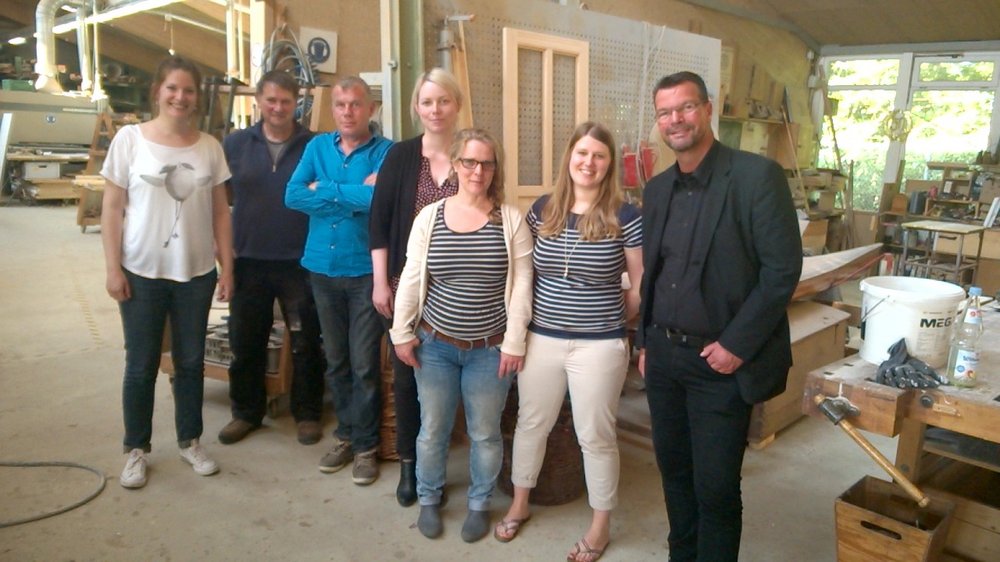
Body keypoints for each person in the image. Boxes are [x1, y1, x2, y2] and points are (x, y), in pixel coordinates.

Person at [637, 71, 802, 561]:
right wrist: (644, 343)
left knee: (715, 488)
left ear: (708, 109)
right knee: (674, 474)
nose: (676, 120)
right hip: (663, 358)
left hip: (719, 362)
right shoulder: (657, 189)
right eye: (665, 112)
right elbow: (653, 274)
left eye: (686, 107)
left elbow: (781, 271)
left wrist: (736, 346)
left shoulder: (755, 177)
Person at [495, 122, 642, 562]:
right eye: (582, 153)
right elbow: (525, 273)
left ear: (609, 164)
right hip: (543, 339)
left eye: (599, 155)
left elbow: (639, 284)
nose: (588, 162)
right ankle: (520, 503)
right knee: (531, 424)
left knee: (595, 435)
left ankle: (600, 527)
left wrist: (614, 321)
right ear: (569, 157)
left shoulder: (626, 215)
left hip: (599, 345)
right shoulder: (543, 209)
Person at [390, 128, 533, 543]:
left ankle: (479, 502)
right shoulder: (429, 217)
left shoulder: (510, 220)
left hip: (489, 350)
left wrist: (514, 342)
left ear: (495, 169)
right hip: (434, 345)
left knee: (485, 433)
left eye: (487, 163)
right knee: (433, 428)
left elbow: (523, 285)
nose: (478, 171)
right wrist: (401, 332)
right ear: (455, 164)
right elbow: (412, 277)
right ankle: (429, 497)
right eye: (469, 161)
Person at [100, 55, 233, 489]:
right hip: (141, 272)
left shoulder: (209, 147)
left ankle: (190, 440)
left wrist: (227, 267)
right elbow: (112, 208)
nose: (180, 97)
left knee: (190, 362)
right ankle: (136, 449)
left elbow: (220, 212)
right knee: (141, 364)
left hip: (195, 274)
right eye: (172, 88)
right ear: (157, 91)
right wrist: (113, 268)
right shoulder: (129, 140)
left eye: (188, 90)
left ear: (197, 98)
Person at [285, 76, 393, 486]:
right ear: (333, 109)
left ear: (371, 109)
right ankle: (346, 436)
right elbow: (293, 195)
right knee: (336, 360)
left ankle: (365, 446)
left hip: (364, 272)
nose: (348, 112)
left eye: (355, 104)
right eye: (341, 104)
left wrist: (325, 189)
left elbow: (380, 200)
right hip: (321, 269)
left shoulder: (386, 152)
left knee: (363, 363)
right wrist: (351, 195)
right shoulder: (317, 147)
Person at [369, 68, 463, 507]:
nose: (435, 110)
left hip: (459, 293)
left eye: (443, 100)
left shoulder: (472, 153)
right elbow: (379, 221)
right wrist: (380, 283)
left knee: (450, 383)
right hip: (406, 288)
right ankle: (410, 465)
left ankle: (439, 464)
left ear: (456, 105)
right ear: (416, 108)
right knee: (407, 379)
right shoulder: (402, 156)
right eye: (427, 102)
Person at [218, 70, 325, 446]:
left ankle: (308, 414)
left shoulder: (315, 146)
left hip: (300, 260)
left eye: (285, 101)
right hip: (249, 258)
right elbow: (220, 200)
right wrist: (223, 250)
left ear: (297, 103)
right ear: (258, 102)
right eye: (271, 100)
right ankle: (246, 412)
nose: (278, 107)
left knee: (306, 341)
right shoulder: (235, 144)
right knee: (246, 340)